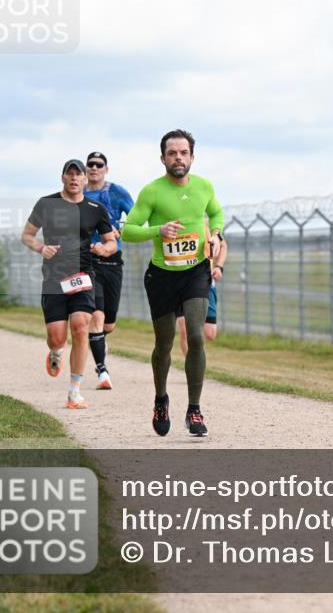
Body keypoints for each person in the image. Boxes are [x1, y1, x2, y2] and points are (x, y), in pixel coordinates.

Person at [121, 129, 224, 437]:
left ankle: (194, 410)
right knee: (164, 343)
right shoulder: (152, 191)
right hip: (162, 276)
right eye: (172, 153)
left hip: (195, 272)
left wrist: (216, 234)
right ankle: (161, 399)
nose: (178, 158)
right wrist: (158, 230)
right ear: (163, 158)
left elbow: (216, 213)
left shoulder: (204, 186)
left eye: (183, 152)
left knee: (196, 335)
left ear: (192, 156)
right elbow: (128, 231)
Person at [21, 159, 116, 409]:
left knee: (81, 325)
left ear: (85, 179)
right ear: (62, 177)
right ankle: (55, 352)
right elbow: (27, 235)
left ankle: (74, 391)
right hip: (54, 279)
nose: (74, 178)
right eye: (69, 174)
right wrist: (41, 247)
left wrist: (103, 249)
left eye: (79, 174)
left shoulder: (95, 208)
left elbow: (111, 242)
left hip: (83, 275)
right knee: (57, 337)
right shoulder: (46, 204)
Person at [83, 151, 134, 390]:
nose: (94, 168)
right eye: (90, 164)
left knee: (108, 323)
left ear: (106, 168)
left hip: (113, 260)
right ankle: (102, 370)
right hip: (87, 261)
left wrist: (119, 232)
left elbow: (135, 219)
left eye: (98, 164)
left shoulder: (117, 192)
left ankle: (99, 341)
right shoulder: (78, 194)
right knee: (96, 315)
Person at [177, 217, 227, 356]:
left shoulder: (208, 223)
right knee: (185, 329)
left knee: (210, 334)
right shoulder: (177, 222)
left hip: (206, 281)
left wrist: (219, 266)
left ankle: (196, 349)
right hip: (181, 282)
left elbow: (223, 246)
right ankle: (193, 370)